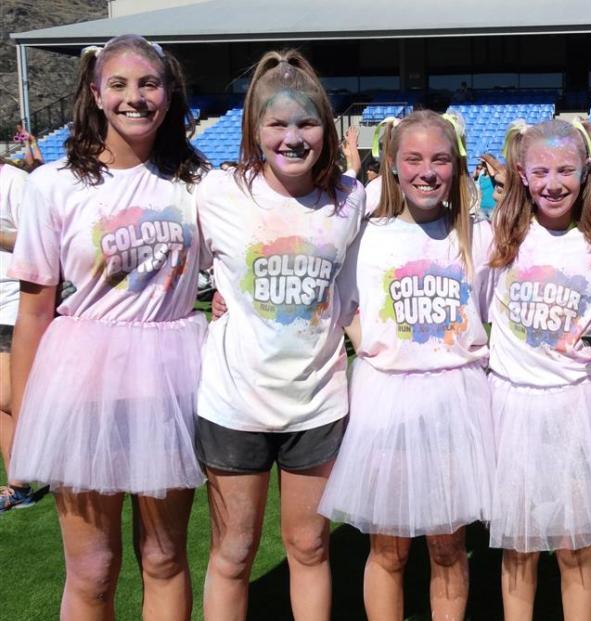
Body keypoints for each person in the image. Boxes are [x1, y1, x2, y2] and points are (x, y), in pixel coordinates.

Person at [7, 34, 207, 618]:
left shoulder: (195, 183)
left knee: (165, 558)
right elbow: (34, 311)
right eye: (118, 84)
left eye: (148, 84)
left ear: (169, 95)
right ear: (94, 92)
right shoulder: (54, 185)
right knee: (93, 569)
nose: (134, 97)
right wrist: (22, 420)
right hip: (81, 383)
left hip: (171, 383)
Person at [195, 50, 365, 620]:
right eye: (278, 123)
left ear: (327, 128)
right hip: (233, 404)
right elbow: (175, 272)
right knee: (234, 551)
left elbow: (351, 298)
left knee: (310, 546)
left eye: (306, 122)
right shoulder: (217, 194)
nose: (293, 137)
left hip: (317, 403)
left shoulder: (349, 199)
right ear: (254, 128)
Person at [319, 110, 493, 621]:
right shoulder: (367, 235)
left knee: (447, 546)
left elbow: (502, 307)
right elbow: (341, 302)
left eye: (440, 159)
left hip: (455, 400)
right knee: (389, 548)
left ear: (456, 166)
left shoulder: (475, 236)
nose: (426, 171)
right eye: (413, 158)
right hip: (386, 398)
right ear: (391, 165)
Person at [487, 118, 591, 620]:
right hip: (511, 406)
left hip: (573, 408)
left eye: (566, 170)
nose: (554, 183)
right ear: (522, 175)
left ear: (586, 170)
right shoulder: (501, 237)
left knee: (576, 547)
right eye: (541, 171)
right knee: (519, 548)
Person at [0, 159, 30, 511]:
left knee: (7, 397)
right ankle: (16, 483)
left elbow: (37, 238)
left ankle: (20, 481)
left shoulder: (15, 182)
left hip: (14, 302)